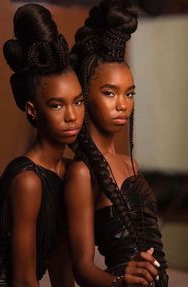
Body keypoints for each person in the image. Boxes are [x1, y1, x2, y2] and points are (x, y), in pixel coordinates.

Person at [0, 3, 84, 287]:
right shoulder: (27, 180)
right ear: (33, 110)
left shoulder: (71, 172)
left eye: (78, 101)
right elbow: (24, 281)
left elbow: (62, 269)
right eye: (56, 105)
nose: (72, 115)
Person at [64, 0, 168, 286]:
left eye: (129, 94)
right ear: (85, 95)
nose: (123, 105)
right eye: (110, 94)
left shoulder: (130, 164)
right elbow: (81, 268)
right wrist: (121, 281)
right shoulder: (82, 173)